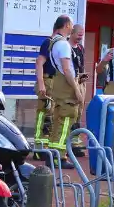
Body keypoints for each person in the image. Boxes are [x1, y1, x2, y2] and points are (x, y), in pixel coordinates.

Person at [33, 15, 81, 168]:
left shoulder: (54, 43)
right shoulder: (55, 43)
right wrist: (41, 83)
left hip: (55, 82)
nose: (72, 28)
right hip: (50, 82)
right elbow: (41, 63)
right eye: (71, 25)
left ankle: (50, 152)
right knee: (50, 115)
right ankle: (46, 151)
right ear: (66, 25)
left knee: (55, 118)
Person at [69, 24, 89, 158]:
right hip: (70, 82)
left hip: (80, 81)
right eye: (79, 35)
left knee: (79, 113)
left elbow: (81, 65)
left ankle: (75, 144)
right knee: (70, 111)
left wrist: (83, 75)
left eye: (82, 35)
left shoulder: (80, 48)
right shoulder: (66, 47)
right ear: (72, 33)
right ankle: (68, 144)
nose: (80, 38)